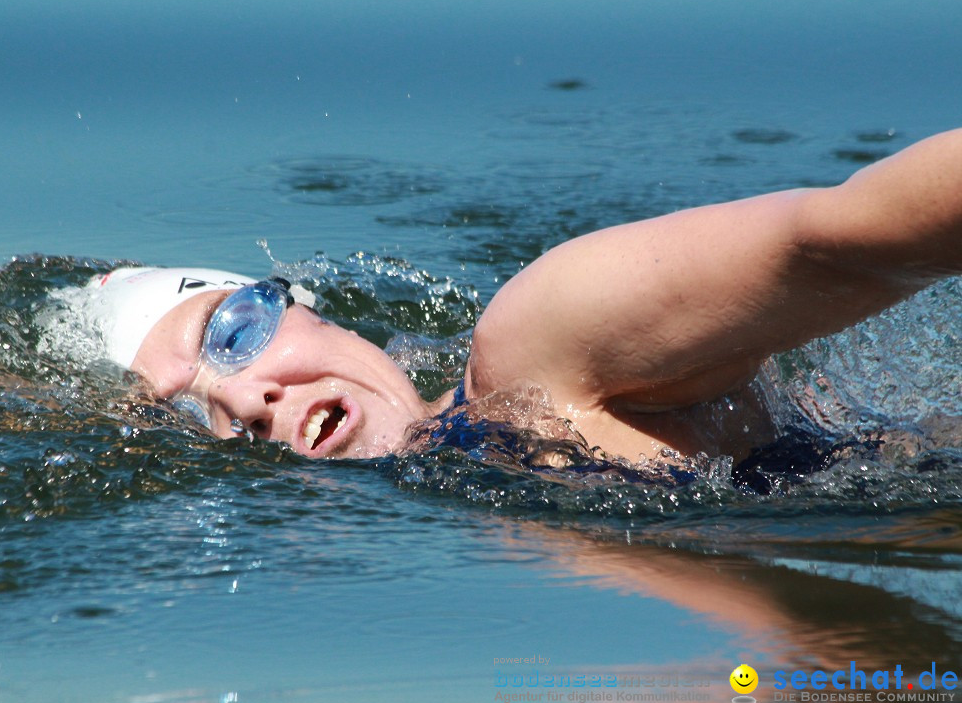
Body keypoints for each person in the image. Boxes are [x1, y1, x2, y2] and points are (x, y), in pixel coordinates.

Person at [77, 129, 962, 462]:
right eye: (196, 415)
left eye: (231, 335)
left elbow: (848, 238)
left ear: (305, 306)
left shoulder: (539, 344)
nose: (242, 398)